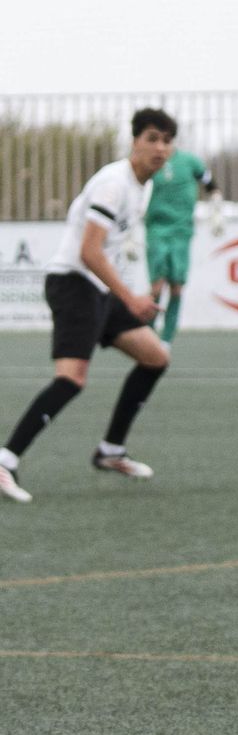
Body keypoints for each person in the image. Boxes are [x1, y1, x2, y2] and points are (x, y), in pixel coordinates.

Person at [0, 108, 175, 504]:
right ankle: (6, 460)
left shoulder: (143, 187)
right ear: (134, 141)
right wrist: (130, 297)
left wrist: (134, 292)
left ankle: (111, 450)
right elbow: (90, 252)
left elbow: (111, 250)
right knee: (71, 379)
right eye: (152, 138)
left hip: (99, 289)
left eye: (167, 141)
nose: (160, 148)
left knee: (155, 358)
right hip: (73, 284)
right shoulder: (113, 184)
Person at [145, 143, 222, 348]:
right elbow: (137, 191)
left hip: (182, 231)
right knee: (156, 286)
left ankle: (166, 341)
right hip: (157, 230)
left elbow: (211, 184)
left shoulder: (190, 162)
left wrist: (216, 209)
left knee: (177, 286)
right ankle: (147, 337)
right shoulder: (151, 162)